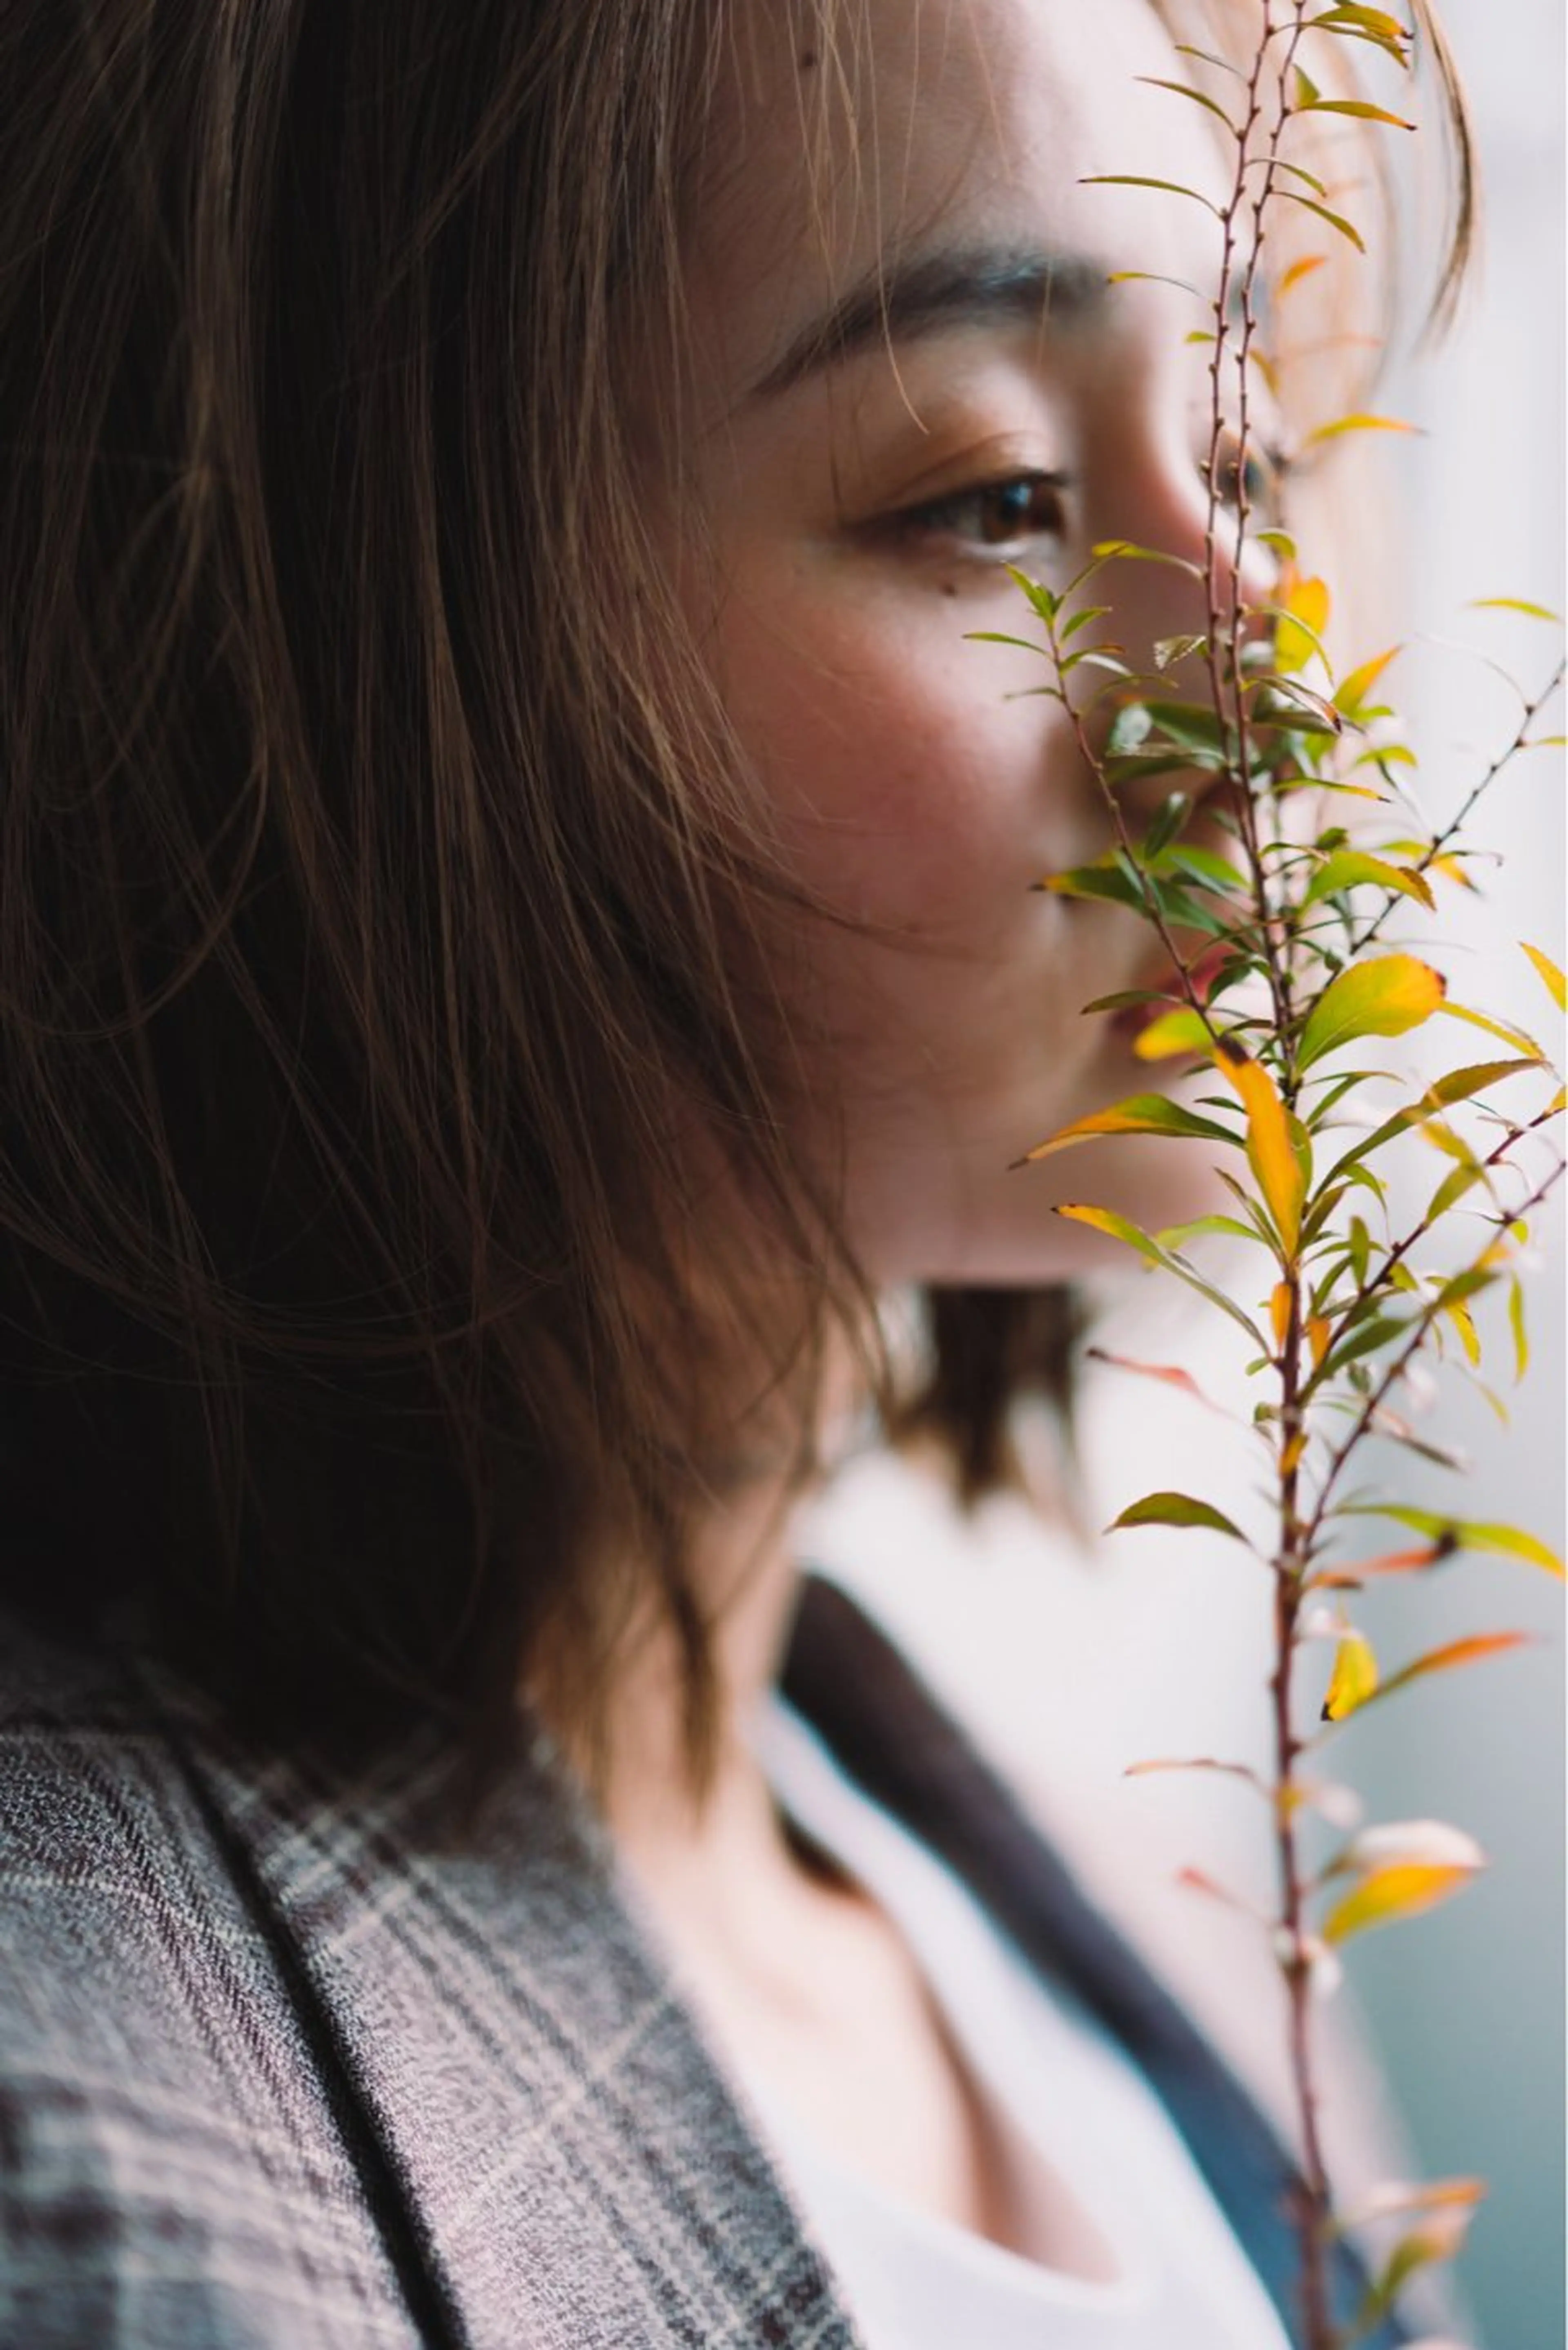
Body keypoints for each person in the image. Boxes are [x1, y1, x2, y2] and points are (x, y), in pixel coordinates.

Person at [0, 2, 1472, 2344]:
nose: (1268, 673)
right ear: (353, 642)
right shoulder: (92, 2167)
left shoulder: (1097, 1894)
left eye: (1258, 454)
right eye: (991, 496)